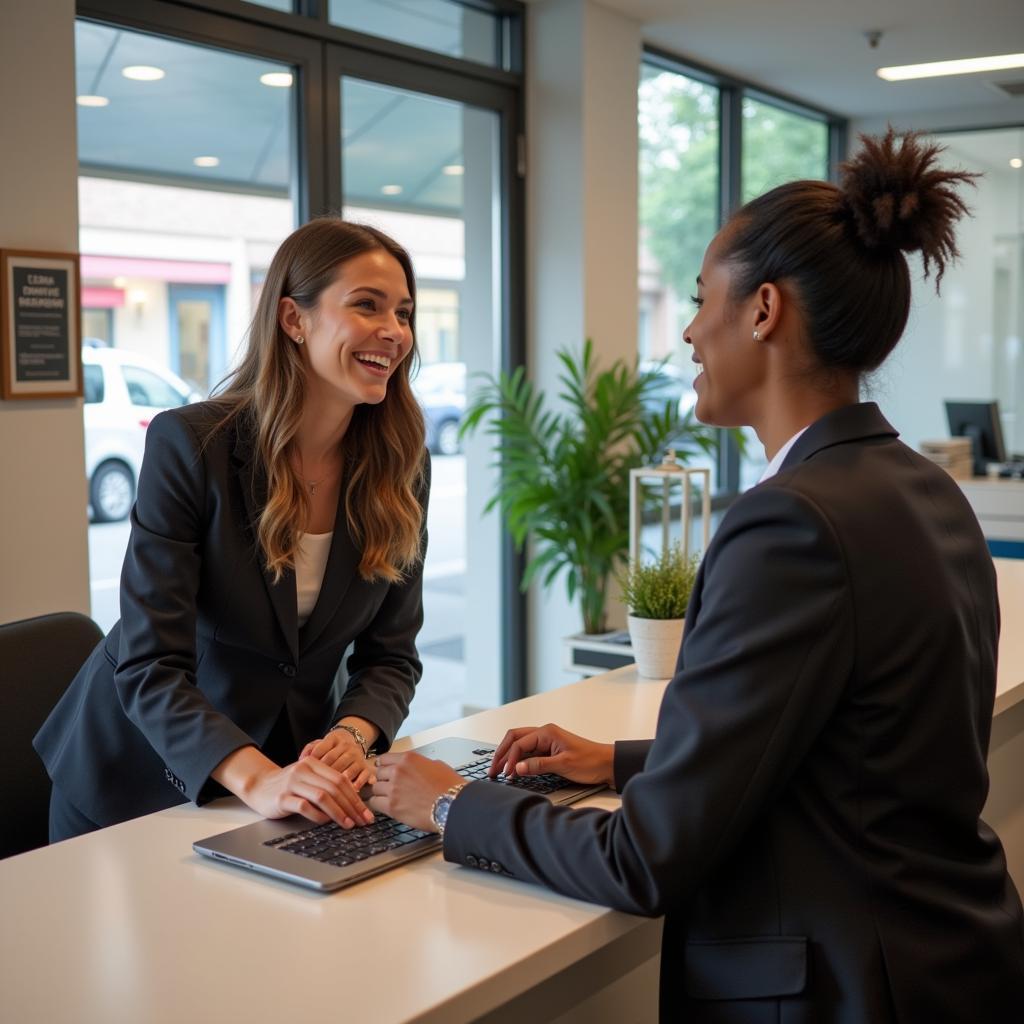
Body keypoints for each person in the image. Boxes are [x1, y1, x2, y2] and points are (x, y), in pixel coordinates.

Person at [369, 130, 1024, 1021]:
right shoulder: (925, 488)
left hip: (846, 988)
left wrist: (454, 807)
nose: (686, 331)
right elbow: (849, 747)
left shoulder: (788, 521)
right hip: (952, 958)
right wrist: (622, 758)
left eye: (697, 299)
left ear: (762, 310)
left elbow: (645, 861)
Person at [36, 218, 429, 841]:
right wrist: (257, 779)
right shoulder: (193, 446)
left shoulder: (399, 464)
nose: (394, 331)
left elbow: (392, 656)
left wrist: (352, 737)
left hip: (287, 781)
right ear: (293, 320)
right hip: (136, 778)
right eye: (366, 305)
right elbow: (149, 665)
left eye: (403, 313)